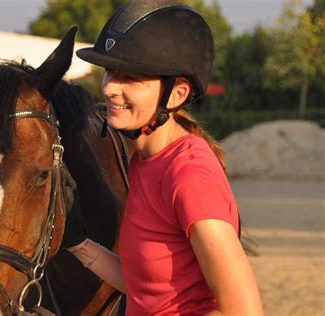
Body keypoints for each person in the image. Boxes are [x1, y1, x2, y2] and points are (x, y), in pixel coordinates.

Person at [61, 1, 264, 315]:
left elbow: (244, 311)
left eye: (129, 77)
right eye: (109, 71)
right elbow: (147, 289)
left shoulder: (189, 175)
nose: (110, 87)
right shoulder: (145, 160)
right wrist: (78, 242)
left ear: (176, 94)